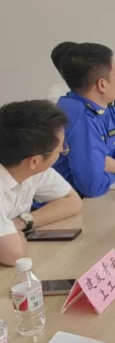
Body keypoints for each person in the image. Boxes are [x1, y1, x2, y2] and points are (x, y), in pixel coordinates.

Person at [0, 100, 82, 266]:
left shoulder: (29, 168)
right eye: (60, 149)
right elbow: (15, 255)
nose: (62, 150)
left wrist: (22, 223)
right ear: (34, 161)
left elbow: (73, 202)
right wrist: (12, 240)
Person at [53, 43, 115, 198]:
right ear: (102, 85)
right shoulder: (80, 117)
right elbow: (93, 187)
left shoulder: (102, 108)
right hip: (72, 203)